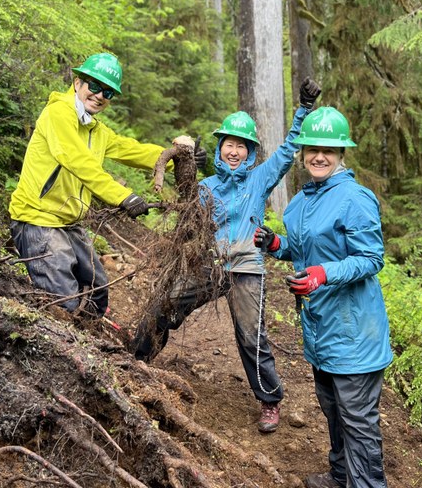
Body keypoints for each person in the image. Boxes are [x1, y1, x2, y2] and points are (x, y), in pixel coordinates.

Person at [131, 78, 322, 433]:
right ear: (220, 149)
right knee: (166, 303)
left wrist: (304, 110)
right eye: (228, 144)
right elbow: (188, 217)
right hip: (210, 265)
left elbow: (288, 149)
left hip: (247, 267)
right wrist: (186, 170)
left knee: (251, 336)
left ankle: (270, 400)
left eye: (242, 146)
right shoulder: (207, 187)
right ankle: (135, 360)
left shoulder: (259, 179)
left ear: (250, 152)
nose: (234, 151)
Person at [254, 106, 393, 488]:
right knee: (334, 414)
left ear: (341, 154)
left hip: (354, 333)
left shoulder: (355, 198)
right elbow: (302, 250)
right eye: (312, 148)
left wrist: (324, 273)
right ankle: (339, 478)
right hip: (320, 331)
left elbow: (370, 258)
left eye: (328, 150)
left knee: (358, 422)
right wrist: (277, 243)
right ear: (302, 152)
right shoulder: (300, 202)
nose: (319, 155)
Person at [9, 53, 206, 318]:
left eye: (108, 92)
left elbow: (131, 150)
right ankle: (71, 346)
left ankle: (93, 340)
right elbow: (76, 160)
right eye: (95, 86)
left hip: (68, 224)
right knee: (64, 302)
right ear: (78, 82)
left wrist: (176, 157)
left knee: (97, 292)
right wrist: (122, 196)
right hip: (38, 220)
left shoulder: (96, 130)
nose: (100, 95)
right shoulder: (58, 113)